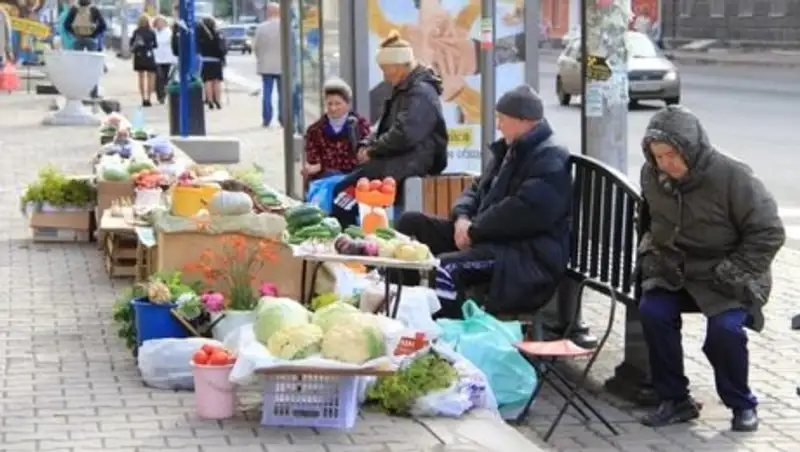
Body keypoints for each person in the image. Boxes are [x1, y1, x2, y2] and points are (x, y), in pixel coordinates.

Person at [636, 105, 785, 432]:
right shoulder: (652, 175)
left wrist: (732, 272)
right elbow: (648, 221)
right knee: (653, 312)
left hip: (730, 272)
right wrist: (650, 257)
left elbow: (769, 232)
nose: (666, 163)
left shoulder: (733, 176)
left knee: (724, 331)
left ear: (690, 148)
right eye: (658, 156)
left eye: (672, 155)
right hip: (676, 271)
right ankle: (674, 399)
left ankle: (741, 403)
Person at [395, 85, 572, 319]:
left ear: (523, 120)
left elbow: (523, 211)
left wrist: (474, 230)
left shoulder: (550, 156)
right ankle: (403, 314)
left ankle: (450, 332)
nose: (498, 126)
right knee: (410, 225)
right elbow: (475, 189)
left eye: (502, 119)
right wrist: (462, 218)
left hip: (523, 256)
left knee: (445, 267)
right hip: (489, 238)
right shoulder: (510, 148)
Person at [356, 30, 448, 186]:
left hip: (413, 164)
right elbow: (386, 129)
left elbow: (405, 134)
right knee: (350, 182)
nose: (384, 76)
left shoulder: (421, 93)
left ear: (398, 66)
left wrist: (372, 150)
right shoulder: (405, 91)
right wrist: (367, 143)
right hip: (402, 161)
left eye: (385, 69)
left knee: (353, 184)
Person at [302, 78, 371, 227]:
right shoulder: (315, 130)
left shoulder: (360, 126)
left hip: (352, 181)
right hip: (324, 182)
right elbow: (313, 160)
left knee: (346, 211)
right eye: (329, 104)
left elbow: (364, 157)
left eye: (338, 103)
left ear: (347, 104)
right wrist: (315, 168)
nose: (333, 108)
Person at [253, 3, 282, 127]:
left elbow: (255, 46)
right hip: (283, 66)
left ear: (268, 12)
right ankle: (283, 118)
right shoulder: (285, 26)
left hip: (266, 65)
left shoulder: (261, 28)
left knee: (267, 92)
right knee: (283, 94)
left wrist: (260, 58)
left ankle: (267, 118)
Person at [197, 16, 226, 110]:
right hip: (216, 60)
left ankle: (209, 100)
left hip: (205, 60)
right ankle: (217, 100)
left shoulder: (201, 35)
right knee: (217, 81)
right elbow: (223, 48)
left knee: (207, 81)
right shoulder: (217, 33)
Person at [129, 14, 157, 107]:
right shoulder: (151, 32)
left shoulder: (136, 32)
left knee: (141, 77)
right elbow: (155, 45)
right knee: (150, 77)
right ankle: (149, 98)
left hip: (139, 56)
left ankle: (143, 98)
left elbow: (131, 44)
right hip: (149, 56)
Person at [152, 15, 175, 104]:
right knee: (159, 77)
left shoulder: (169, 32)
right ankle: (160, 96)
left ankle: (164, 94)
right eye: (158, 22)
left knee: (166, 78)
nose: (159, 24)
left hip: (167, 58)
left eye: (161, 22)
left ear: (165, 23)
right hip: (156, 59)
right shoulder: (153, 32)